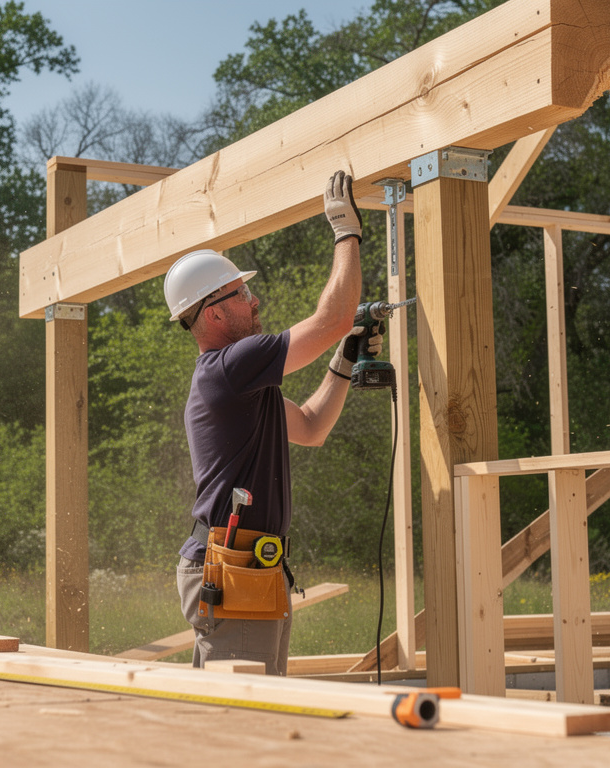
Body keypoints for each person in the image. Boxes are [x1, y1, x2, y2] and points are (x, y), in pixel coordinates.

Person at [165, 169, 376, 675]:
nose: (254, 300)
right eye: (240, 294)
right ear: (212, 315)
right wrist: (346, 231)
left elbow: (309, 426)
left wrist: (344, 362)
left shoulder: (244, 387)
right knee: (238, 724)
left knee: (248, 711)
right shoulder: (229, 367)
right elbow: (333, 318)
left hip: (250, 568)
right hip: (234, 569)